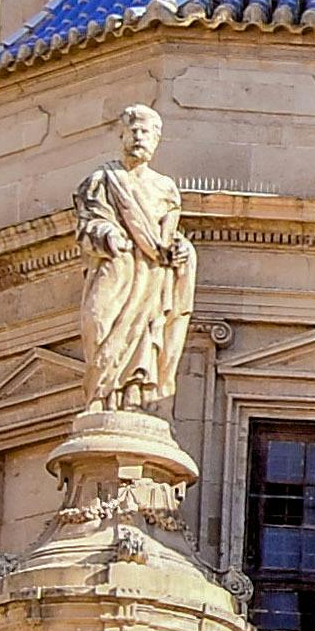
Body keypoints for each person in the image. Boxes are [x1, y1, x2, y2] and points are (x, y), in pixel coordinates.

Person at [74, 108, 192, 416]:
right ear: (122, 135)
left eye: (146, 132)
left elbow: (168, 239)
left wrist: (181, 250)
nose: (139, 137)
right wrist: (108, 235)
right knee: (98, 320)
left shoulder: (166, 190)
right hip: (115, 271)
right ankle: (101, 393)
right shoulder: (101, 181)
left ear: (157, 140)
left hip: (152, 279)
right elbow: (87, 226)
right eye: (134, 131)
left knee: (145, 336)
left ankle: (130, 397)